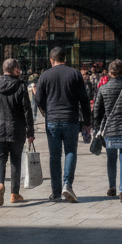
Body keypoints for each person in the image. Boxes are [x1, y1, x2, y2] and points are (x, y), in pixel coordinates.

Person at [34, 46, 91, 202]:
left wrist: (46, 111)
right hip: (71, 119)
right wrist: (87, 122)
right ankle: (67, 184)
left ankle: (56, 191)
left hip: (52, 120)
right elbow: (84, 100)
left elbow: (38, 99)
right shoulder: (74, 74)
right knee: (70, 151)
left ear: (51, 60)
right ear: (65, 59)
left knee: (54, 155)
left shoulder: (45, 75)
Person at [0, 58, 35, 205]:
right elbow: (27, 111)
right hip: (16, 130)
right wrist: (30, 131)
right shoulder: (21, 86)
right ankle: (14, 193)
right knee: (15, 161)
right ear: (15, 69)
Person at [93, 58, 122, 203]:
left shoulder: (103, 88)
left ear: (109, 72)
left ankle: (112, 186)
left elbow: (97, 112)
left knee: (111, 158)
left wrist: (96, 128)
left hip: (110, 129)